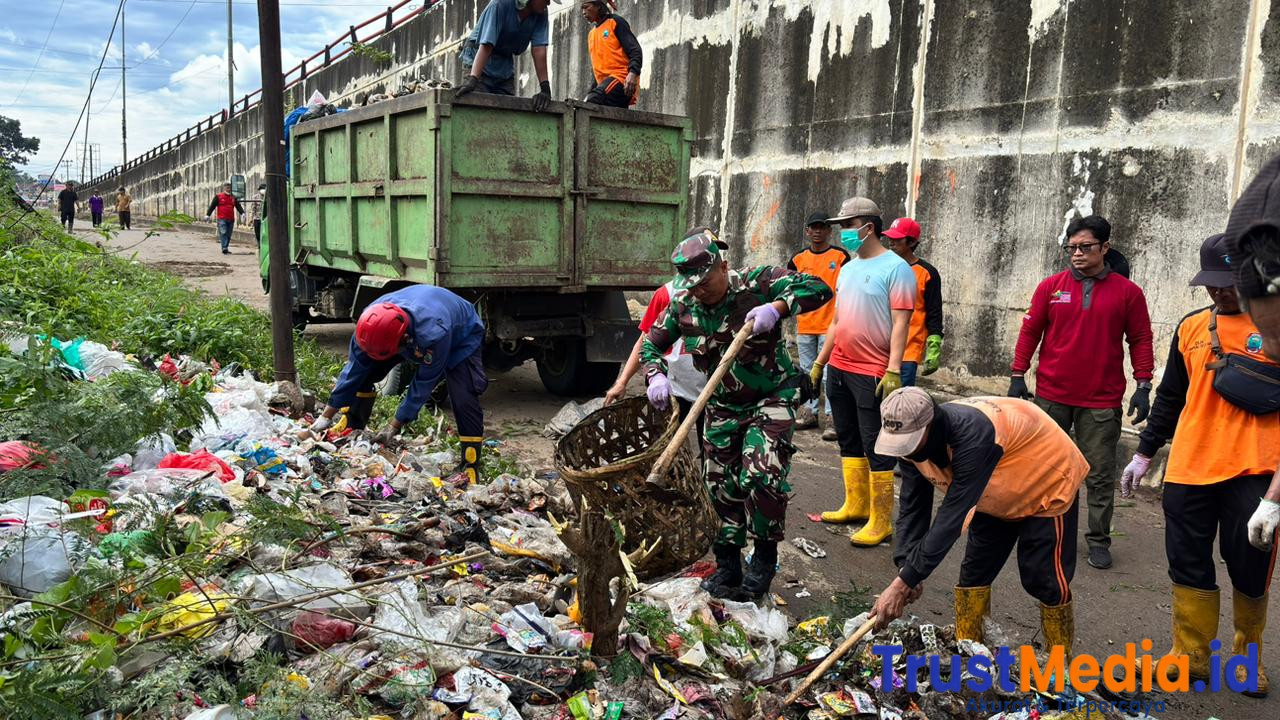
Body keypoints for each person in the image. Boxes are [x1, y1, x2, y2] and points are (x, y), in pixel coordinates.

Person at [1119, 234, 1279, 696]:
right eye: (1212, 282)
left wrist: (1275, 497)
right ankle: (1191, 657)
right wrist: (1144, 452)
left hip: (1254, 472)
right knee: (1187, 562)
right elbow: (1171, 396)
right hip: (1190, 468)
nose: (1220, 291)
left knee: (1249, 566)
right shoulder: (1191, 326)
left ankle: (1248, 660)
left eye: (1230, 282)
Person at [640, 227, 831, 601]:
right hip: (722, 405)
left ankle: (763, 559)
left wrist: (777, 308)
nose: (699, 290)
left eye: (705, 281)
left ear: (723, 267)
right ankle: (727, 564)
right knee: (719, 486)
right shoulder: (683, 306)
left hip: (771, 396)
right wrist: (654, 374)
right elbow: (650, 345)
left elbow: (819, 288)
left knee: (761, 475)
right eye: (691, 284)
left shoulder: (757, 283)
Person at [867, 388, 1086, 656]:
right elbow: (913, 506)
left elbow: (952, 518)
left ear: (931, 425)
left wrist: (902, 584)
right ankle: (970, 656)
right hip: (995, 486)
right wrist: (906, 567)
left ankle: (1059, 662)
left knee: (1043, 578)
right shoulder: (910, 444)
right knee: (973, 576)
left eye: (909, 442)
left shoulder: (973, 437)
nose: (905, 451)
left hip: (1046, 478)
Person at [1009, 214, 1154, 570]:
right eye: (1071, 247)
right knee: (1045, 469)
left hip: (1100, 401)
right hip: (1051, 396)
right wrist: (1017, 374)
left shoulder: (1128, 293)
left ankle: (1099, 540)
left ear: (1105, 248)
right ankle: (1043, 533)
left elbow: (1140, 339)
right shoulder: (1050, 287)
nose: (1077, 253)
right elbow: (1030, 331)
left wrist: (1143, 384)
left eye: (1085, 247)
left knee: (1100, 475)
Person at [811, 197, 915, 547]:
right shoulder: (848, 268)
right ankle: (855, 505)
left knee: (876, 444)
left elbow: (901, 323)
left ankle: (881, 521)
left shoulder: (896, 269)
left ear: (868, 228)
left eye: (848, 225)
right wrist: (820, 363)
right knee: (848, 438)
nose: (843, 232)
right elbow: (836, 321)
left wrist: (894, 369)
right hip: (839, 367)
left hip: (872, 370)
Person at [308, 285, 489, 483]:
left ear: (405, 339)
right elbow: (353, 370)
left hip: (461, 334)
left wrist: (393, 427)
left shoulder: (434, 334)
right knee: (366, 371)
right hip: (410, 324)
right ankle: (353, 425)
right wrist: (325, 417)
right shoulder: (370, 324)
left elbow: (423, 384)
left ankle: (470, 466)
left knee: (463, 396)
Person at [603, 273, 709, 450]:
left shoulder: (723, 291)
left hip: (712, 388)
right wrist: (622, 382)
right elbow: (645, 341)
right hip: (672, 385)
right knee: (666, 448)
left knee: (713, 454)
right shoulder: (667, 294)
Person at [787, 211, 850, 433]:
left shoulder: (840, 257)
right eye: (813, 227)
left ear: (829, 231)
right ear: (807, 231)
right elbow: (788, 288)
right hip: (805, 325)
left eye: (822, 227)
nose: (817, 231)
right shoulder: (798, 259)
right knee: (806, 372)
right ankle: (809, 412)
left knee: (828, 374)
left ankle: (832, 417)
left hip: (830, 326)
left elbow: (847, 289)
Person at [453, 0, 552, 110]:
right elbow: (487, 45)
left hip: (504, 65)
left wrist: (545, 88)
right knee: (478, 105)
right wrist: (473, 79)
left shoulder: (541, 13)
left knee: (506, 108)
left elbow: (539, 49)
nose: (548, 3)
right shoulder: (500, 4)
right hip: (480, 60)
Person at [884, 217, 943, 387]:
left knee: (899, 399)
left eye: (897, 239)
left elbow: (934, 312)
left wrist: (934, 344)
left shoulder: (927, 273)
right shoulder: (883, 268)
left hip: (908, 350)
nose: (891, 242)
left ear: (911, 242)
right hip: (878, 348)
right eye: (890, 237)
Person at [579, 0, 641, 108]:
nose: (583, 12)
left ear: (598, 6)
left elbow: (635, 50)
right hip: (605, 86)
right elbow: (598, 69)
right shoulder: (591, 34)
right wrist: (591, 91)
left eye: (586, 7)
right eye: (582, 9)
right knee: (588, 102)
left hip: (621, 79)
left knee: (591, 101)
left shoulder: (615, 22)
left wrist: (632, 74)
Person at [205, 183, 245, 255]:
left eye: (229, 188)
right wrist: (208, 215)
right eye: (227, 188)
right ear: (224, 188)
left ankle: (225, 247)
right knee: (223, 232)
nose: (228, 189)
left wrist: (242, 213)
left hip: (231, 219)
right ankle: (224, 248)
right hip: (222, 218)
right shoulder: (218, 197)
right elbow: (212, 206)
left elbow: (238, 206)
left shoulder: (233, 197)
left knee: (228, 234)